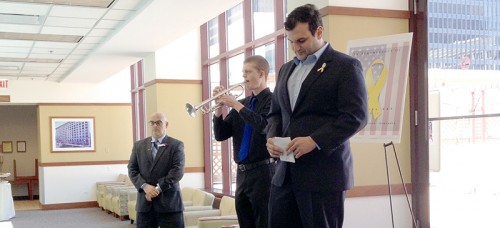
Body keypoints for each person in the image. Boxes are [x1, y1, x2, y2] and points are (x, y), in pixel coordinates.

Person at [265, 4, 368, 228]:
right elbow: (275, 114)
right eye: (291, 41)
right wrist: (271, 138)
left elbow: (356, 116)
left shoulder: (345, 66)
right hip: (284, 176)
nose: (295, 48)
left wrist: (314, 141)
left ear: (319, 32)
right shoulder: (285, 70)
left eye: (301, 41)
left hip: (323, 176)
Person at [213, 55, 275, 228]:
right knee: (245, 222)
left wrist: (236, 105)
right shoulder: (242, 103)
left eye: (248, 72)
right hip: (242, 174)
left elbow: (263, 126)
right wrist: (219, 108)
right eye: (243, 72)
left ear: (261, 73)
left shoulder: (272, 100)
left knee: (263, 222)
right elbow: (220, 134)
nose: (244, 77)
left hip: (263, 171)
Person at [128, 112, 185, 228]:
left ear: (166, 124)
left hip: (169, 205)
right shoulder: (139, 146)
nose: (155, 126)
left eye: (159, 123)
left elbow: (177, 171)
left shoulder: (176, 145)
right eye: (152, 123)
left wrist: (157, 189)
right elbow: (132, 169)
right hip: (145, 204)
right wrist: (145, 186)